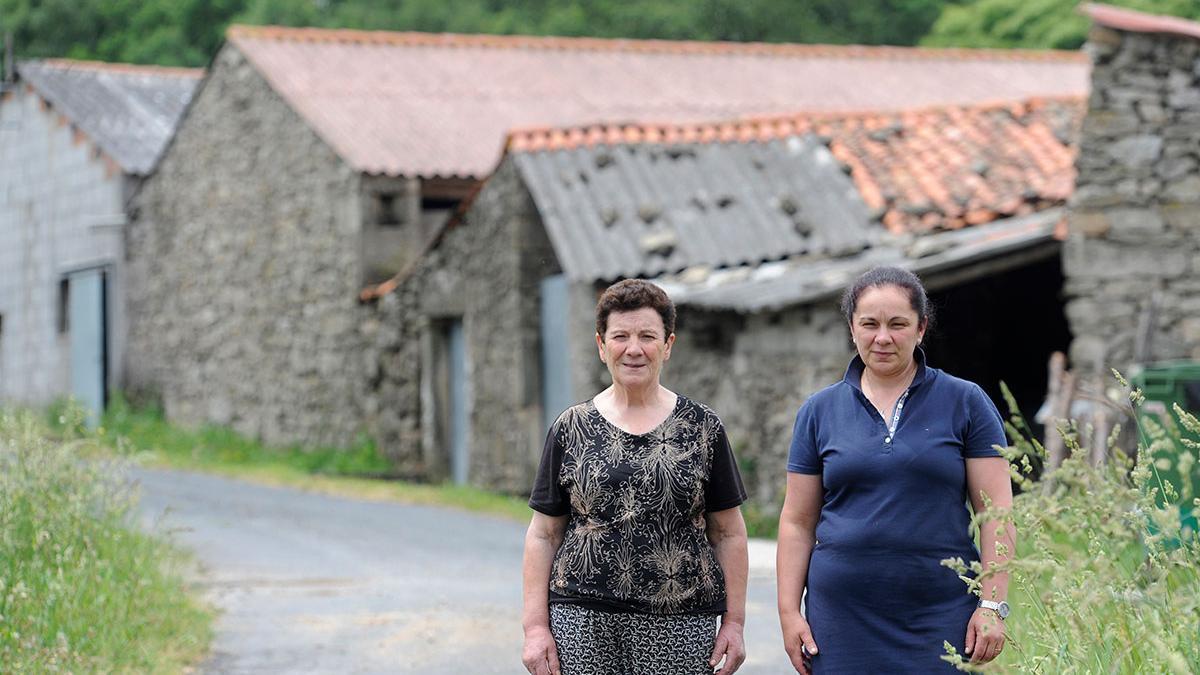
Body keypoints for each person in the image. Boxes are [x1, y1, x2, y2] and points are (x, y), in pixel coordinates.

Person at [776, 266, 1015, 673]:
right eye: (869, 324)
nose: (882, 337)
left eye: (897, 324)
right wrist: (788, 614)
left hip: (939, 614)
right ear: (852, 328)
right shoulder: (819, 411)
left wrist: (992, 604)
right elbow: (798, 521)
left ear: (921, 329)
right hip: (840, 618)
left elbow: (997, 515)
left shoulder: (965, 402)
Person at [522, 279, 749, 675]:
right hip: (582, 621)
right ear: (601, 345)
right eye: (620, 336)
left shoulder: (702, 428)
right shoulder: (571, 428)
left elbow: (728, 532)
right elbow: (544, 534)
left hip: (680, 623)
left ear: (668, 345)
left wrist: (735, 622)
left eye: (647, 336)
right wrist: (536, 627)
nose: (633, 348)